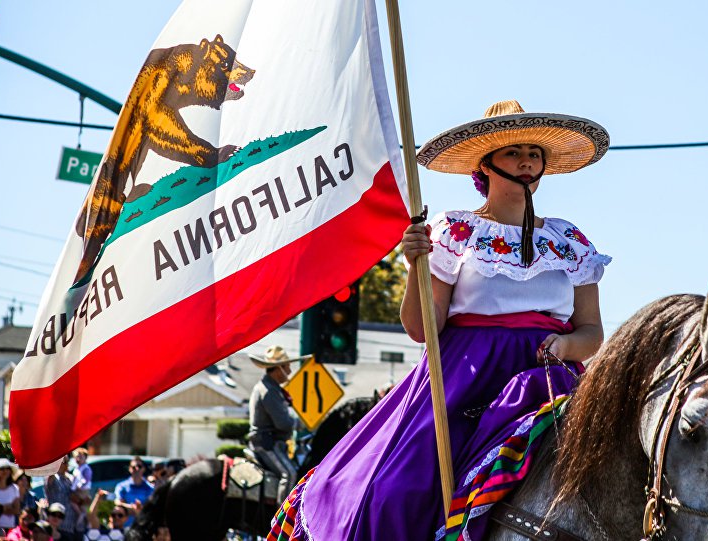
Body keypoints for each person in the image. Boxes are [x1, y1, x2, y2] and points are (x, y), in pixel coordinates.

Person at [270, 100, 610, 540]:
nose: (527, 159)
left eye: (534, 151)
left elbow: (592, 332)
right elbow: (420, 328)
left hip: (548, 378)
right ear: (486, 165)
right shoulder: (455, 232)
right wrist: (415, 264)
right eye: (513, 151)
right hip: (464, 378)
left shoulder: (569, 240)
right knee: (391, 491)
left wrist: (566, 347)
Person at [246, 346, 302, 502]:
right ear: (278, 369)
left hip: (268, 441)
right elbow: (283, 423)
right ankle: (281, 519)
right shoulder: (269, 391)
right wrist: (299, 424)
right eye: (287, 367)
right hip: (266, 444)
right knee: (289, 473)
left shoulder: (270, 388)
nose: (290, 371)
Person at [44, 461, 80, 541]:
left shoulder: (71, 478)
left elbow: (79, 498)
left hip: (69, 527)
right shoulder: (53, 477)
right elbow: (50, 478)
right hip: (55, 528)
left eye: (67, 462)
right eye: (64, 461)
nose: (66, 464)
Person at [112, 458, 151, 529]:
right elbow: (117, 503)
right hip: (124, 528)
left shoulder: (150, 488)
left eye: (139, 466)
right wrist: (133, 508)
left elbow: (151, 508)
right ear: (129, 469)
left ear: (144, 469)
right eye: (133, 467)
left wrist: (130, 509)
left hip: (142, 528)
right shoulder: (121, 486)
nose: (136, 469)